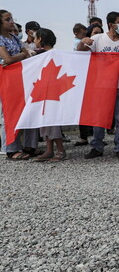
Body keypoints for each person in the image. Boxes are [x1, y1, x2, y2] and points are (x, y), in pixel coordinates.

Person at [78, 11, 119, 160]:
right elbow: (80, 52)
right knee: (99, 118)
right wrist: (83, 41)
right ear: (111, 25)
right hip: (101, 86)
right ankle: (97, 147)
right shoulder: (98, 39)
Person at [28, 29, 67, 162]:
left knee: (53, 122)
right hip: (43, 92)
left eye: (35, 38)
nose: (34, 41)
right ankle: (49, 150)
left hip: (51, 93)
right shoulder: (40, 54)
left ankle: (60, 150)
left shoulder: (48, 55)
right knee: (44, 122)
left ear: (41, 39)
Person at [0, 10, 35, 159]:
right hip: (6, 78)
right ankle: (10, 148)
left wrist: (22, 54)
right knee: (8, 112)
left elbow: (22, 52)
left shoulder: (14, 37)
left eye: (11, 18)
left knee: (27, 108)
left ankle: (29, 146)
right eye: (8, 19)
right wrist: (23, 54)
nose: (12, 21)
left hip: (19, 78)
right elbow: (7, 59)